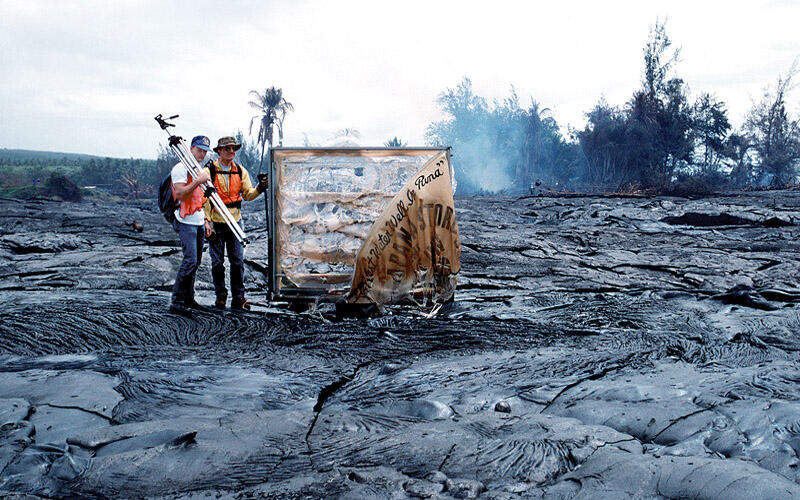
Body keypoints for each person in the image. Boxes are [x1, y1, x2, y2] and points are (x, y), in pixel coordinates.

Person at [203, 136, 267, 310]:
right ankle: (221, 296)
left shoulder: (240, 171)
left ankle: (239, 297)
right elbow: (204, 198)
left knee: (237, 261)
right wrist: (206, 221)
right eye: (227, 149)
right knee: (217, 263)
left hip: (235, 222)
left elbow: (247, 195)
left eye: (233, 149)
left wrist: (260, 188)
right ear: (219, 151)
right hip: (216, 222)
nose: (231, 152)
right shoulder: (209, 171)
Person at [169, 135, 213, 313]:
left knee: (195, 262)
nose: (202, 154)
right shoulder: (180, 168)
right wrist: (197, 181)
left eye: (204, 151)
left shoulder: (198, 169)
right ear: (191, 148)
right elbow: (180, 194)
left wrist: (205, 219)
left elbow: (197, 198)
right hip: (185, 221)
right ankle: (177, 301)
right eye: (199, 150)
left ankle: (189, 298)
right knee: (190, 261)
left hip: (198, 220)